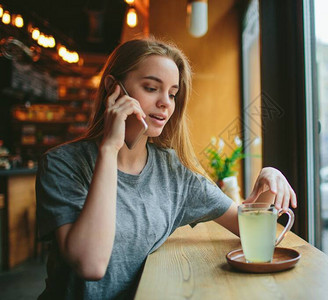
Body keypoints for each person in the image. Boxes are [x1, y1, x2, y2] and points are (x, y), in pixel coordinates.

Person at [35, 38, 297, 299]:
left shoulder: (172, 172)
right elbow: (90, 265)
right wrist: (109, 149)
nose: (166, 103)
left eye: (172, 94)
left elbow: (250, 229)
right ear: (113, 88)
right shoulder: (62, 165)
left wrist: (269, 178)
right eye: (151, 88)